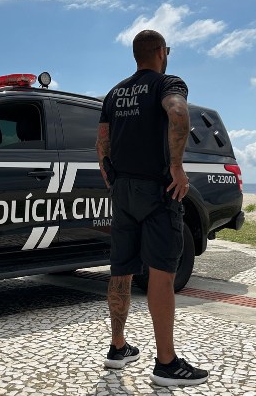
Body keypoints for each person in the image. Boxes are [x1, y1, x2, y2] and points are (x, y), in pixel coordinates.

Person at [96, 29, 208, 386]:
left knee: (121, 270)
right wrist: (176, 166)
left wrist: (112, 179)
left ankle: (118, 348)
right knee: (161, 272)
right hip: (158, 191)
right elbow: (178, 114)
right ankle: (166, 363)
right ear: (161, 52)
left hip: (123, 190)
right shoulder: (167, 83)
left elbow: (101, 142)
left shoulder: (115, 92)